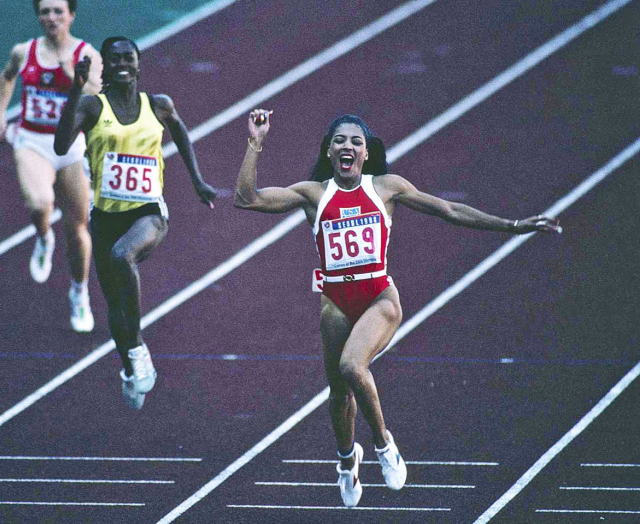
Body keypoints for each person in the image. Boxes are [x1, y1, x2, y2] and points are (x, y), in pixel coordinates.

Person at [234, 109, 562, 507]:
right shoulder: (313, 194)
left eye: (357, 141)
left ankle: (383, 444)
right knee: (339, 395)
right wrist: (256, 141)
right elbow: (245, 198)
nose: (348, 147)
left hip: (379, 299)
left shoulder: (387, 188)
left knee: (352, 366)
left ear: (367, 153)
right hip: (336, 303)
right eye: (340, 140)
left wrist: (512, 225)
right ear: (329, 151)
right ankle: (345, 460)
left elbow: (450, 210)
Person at [55, 37, 217, 409]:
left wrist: (196, 181)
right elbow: (62, 146)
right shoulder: (92, 106)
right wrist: (76, 90)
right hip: (106, 215)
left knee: (121, 255)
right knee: (114, 305)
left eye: (129, 58)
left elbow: (179, 132)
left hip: (149, 212)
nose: (122, 64)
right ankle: (129, 365)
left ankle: (139, 346)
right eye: (114, 60)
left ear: (140, 64)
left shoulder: (157, 105)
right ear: (105, 68)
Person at [0, 0, 103, 333]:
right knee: (40, 204)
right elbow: (7, 78)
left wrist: (75, 79)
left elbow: (100, 98)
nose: (51, 17)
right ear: (37, 16)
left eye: (58, 11)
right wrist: (0, 118)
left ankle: (79, 292)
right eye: (45, 11)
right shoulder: (23, 51)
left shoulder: (87, 54)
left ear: (71, 15)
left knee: (78, 229)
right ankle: (43, 238)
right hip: (33, 141)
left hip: (72, 145)